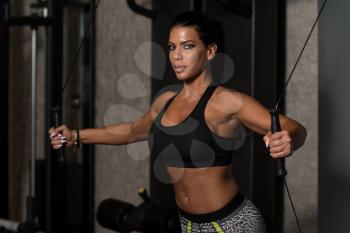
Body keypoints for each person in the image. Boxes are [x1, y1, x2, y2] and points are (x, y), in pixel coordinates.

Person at [49, 11, 306, 233]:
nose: (177, 56)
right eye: (172, 47)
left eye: (187, 46)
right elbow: (130, 131)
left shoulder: (225, 101)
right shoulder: (166, 100)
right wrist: (76, 136)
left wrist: (288, 140)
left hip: (233, 223)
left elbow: (292, 128)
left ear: (211, 51)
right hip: (189, 224)